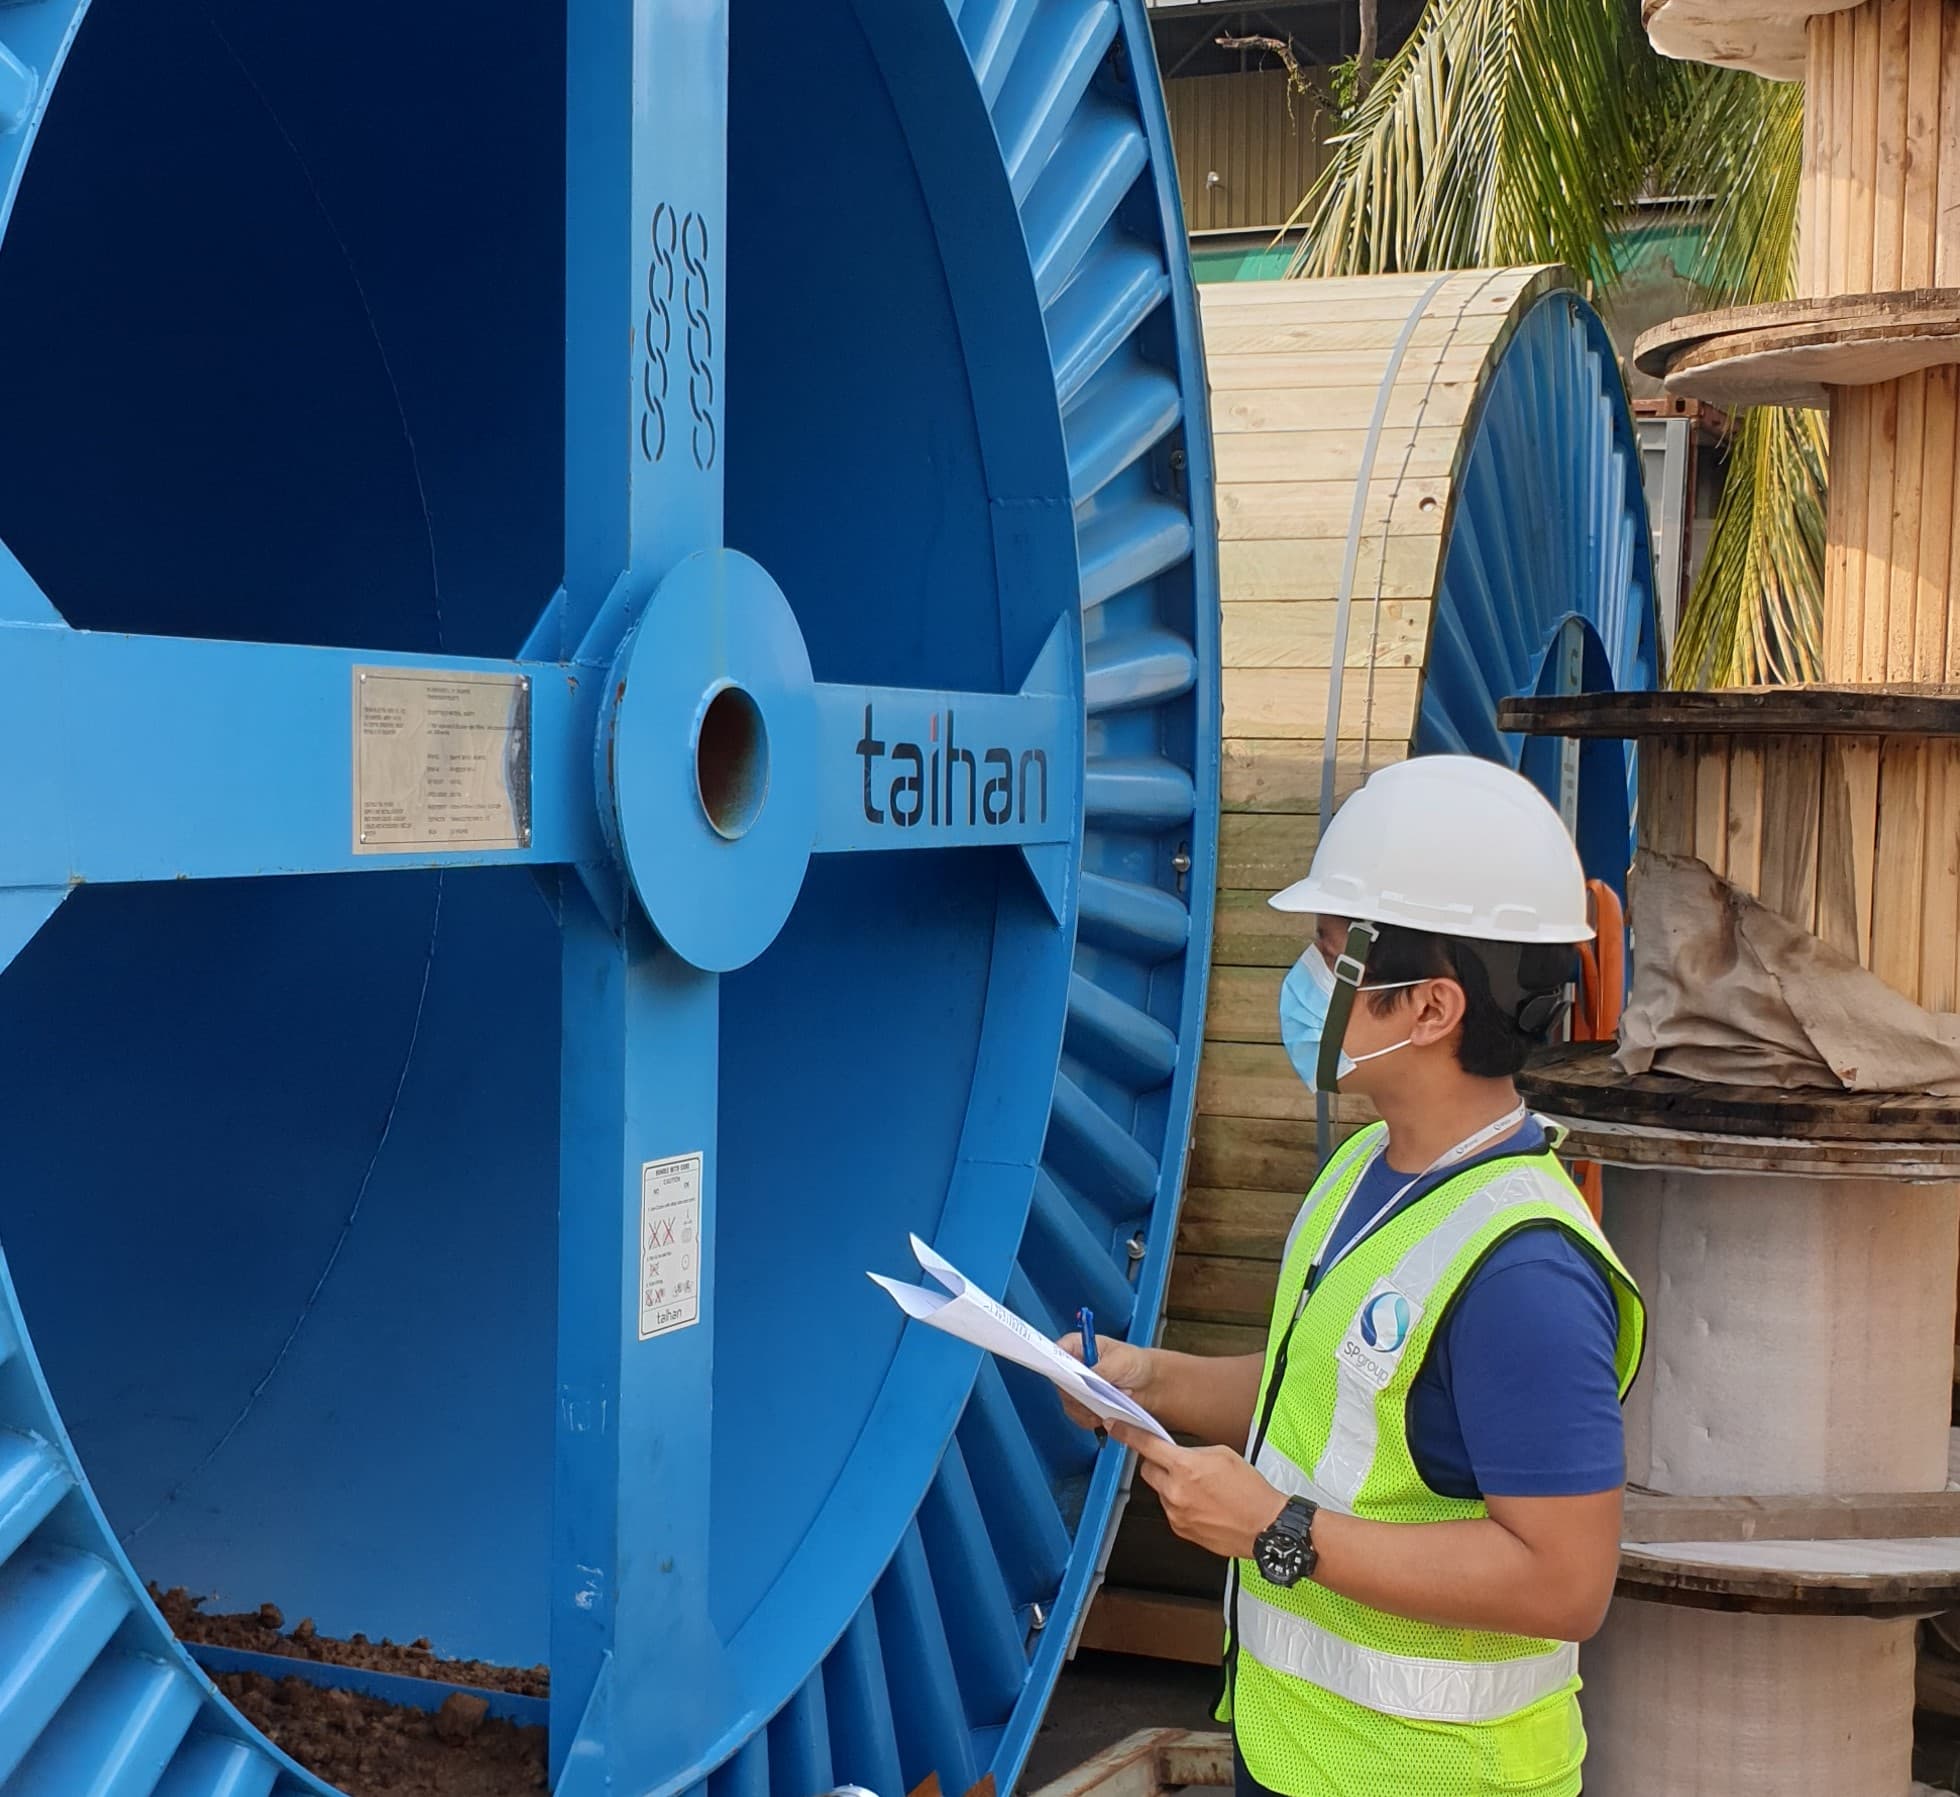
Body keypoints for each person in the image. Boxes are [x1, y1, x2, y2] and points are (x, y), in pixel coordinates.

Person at [1061, 754, 1645, 1797]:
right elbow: (1325, 1391)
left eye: (1332, 955)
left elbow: (1563, 1581)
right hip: (1298, 1752)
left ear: (1428, 1008)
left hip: (1436, 1778)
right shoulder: (1358, 1173)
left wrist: (1275, 1532)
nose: (1302, 978)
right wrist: (1147, 1381)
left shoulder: (1525, 1274)